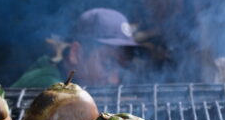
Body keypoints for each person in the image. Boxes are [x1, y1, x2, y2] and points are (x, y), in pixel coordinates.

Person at [11, 8, 139, 87]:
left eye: (123, 66)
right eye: (106, 64)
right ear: (76, 53)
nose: (114, 80)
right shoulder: (47, 86)